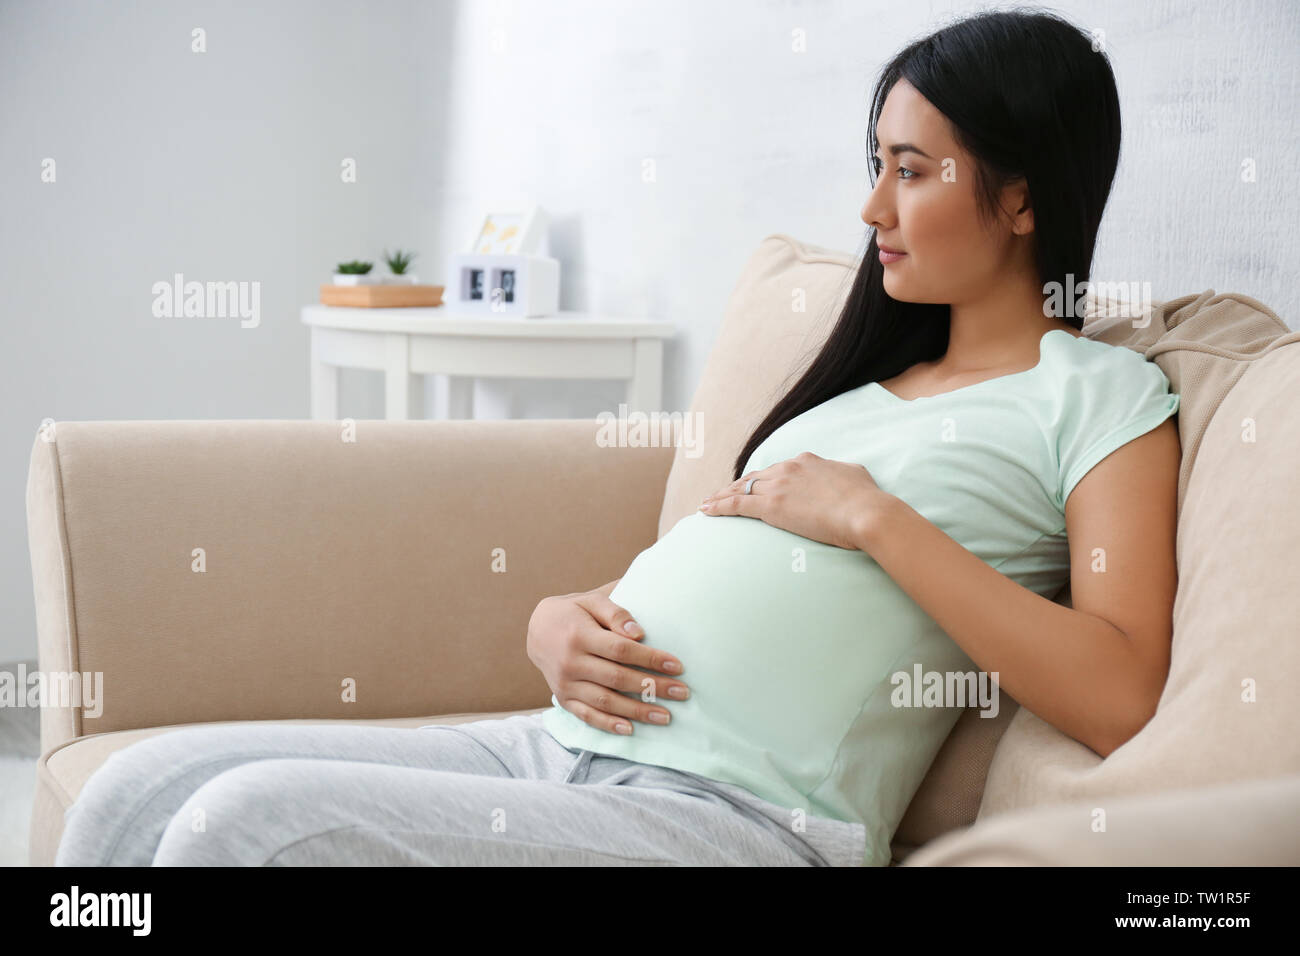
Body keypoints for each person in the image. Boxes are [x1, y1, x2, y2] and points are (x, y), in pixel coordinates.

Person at [55, 8, 1179, 868]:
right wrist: (556, 623)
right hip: (552, 742)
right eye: (873, 162)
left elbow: (1121, 688)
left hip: (735, 815)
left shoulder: (1095, 394)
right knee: (140, 786)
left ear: (1024, 200)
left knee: (243, 826)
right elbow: (716, 577)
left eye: (914, 169)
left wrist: (873, 518)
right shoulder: (857, 390)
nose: (872, 207)